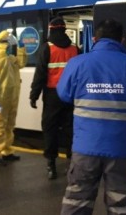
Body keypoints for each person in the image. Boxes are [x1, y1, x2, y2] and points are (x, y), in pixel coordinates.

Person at [57, 19, 126, 215]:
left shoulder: (77, 63)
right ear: (121, 40)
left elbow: (64, 94)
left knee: (77, 201)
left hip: (85, 147)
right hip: (120, 149)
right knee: (120, 204)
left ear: (94, 39)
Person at [30, 17, 78, 179]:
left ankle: (51, 164)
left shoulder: (47, 49)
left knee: (50, 129)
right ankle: (72, 163)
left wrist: (34, 96)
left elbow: (40, 75)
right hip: (71, 95)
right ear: (64, 30)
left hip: (52, 96)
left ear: (51, 30)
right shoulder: (75, 49)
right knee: (70, 129)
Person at [0, 30, 27, 166]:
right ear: (3, 45)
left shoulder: (9, 60)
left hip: (10, 100)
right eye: (8, 44)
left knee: (9, 126)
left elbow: (22, 63)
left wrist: (21, 47)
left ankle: (6, 151)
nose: (9, 47)